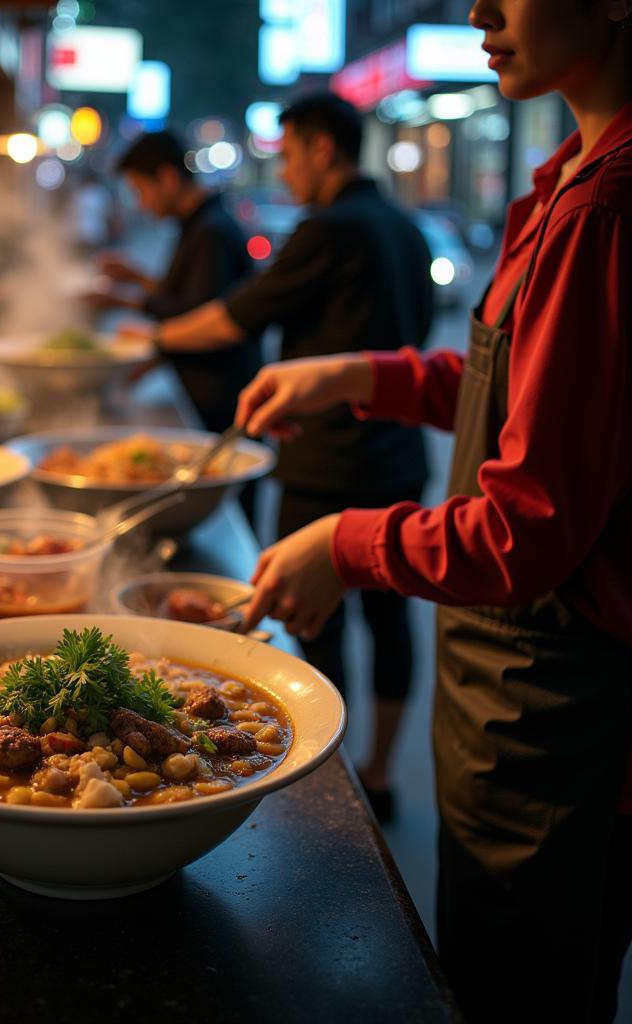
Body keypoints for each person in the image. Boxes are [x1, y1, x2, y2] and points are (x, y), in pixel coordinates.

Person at [236, 1, 632, 1019]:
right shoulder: (564, 180)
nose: (476, 11)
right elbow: (529, 401)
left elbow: (525, 526)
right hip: (513, 676)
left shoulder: (606, 207)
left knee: (518, 992)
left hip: (556, 699)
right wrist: (364, 374)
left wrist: (344, 542)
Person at [139, 94, 432, 820]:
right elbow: (416, 339)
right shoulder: (406, 227)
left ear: (324, 149)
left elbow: (240, 314)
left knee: (315, 618)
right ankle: (380, 772)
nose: (287, 168)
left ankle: (330, 772)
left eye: (292, 152)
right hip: (398, 451)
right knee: (391, 619)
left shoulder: (327, 228)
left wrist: (154, 338)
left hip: (327, 459)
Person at [100, 131, 263, 439]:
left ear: (168, 177)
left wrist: (130, 310)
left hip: (224, 396)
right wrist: (135, 278)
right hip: (210, 391)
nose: (141, 204)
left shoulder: (211, 230)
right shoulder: (197, 224)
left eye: (140, 190)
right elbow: (184, 293)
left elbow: (202, 315)